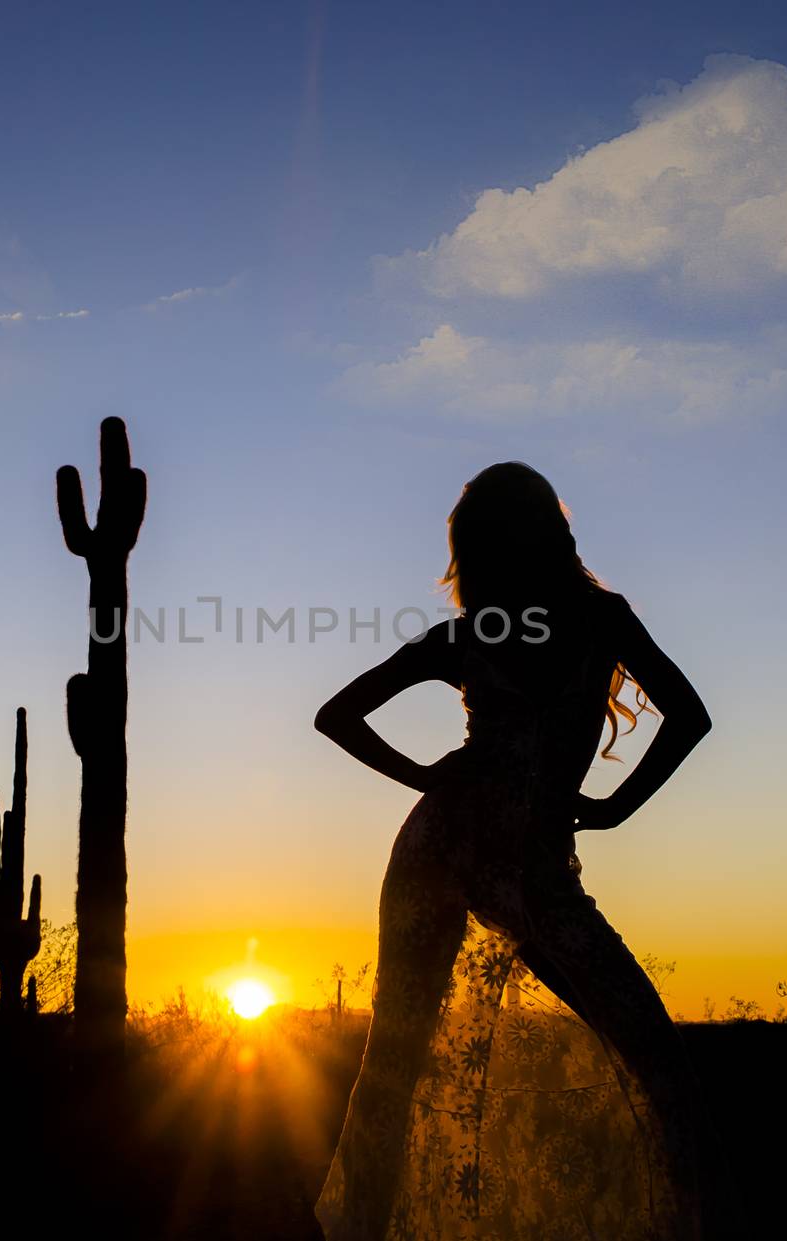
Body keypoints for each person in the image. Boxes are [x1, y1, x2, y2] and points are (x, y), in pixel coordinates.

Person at [312, 462, 733, 1239]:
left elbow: (691, 716)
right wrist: (606, 809)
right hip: (452, 850)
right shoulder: (497, 630)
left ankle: (685, 1218)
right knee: (398, 1060)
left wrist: (608, 809)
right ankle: (364, 1228)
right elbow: (334, 714)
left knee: (645, 1048)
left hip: (499, 858)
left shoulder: (571, 621)